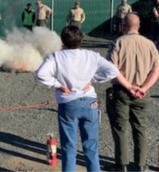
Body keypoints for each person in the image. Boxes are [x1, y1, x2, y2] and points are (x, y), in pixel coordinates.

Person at [36, 26, 136, 172]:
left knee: (69, 147)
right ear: (81, 40)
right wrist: (92, 79)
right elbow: (113, 71)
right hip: (90, 102)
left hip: (68, 103)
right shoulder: (92, 55)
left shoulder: (56, 57)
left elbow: (41, 74)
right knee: (91, 146)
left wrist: (58, 85)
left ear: (62, 41)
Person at [106, 14, 159, 172]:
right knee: (140, 128)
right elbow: (156, 70)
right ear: (139, 26)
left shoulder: (118, 43)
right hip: (142, 93)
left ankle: (121, 164)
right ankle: (141, 165)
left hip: (122, 92)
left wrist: (129, 86)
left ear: (123, 26)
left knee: (120, 127)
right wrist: (143, 88)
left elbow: (112, 69)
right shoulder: (150, 44)